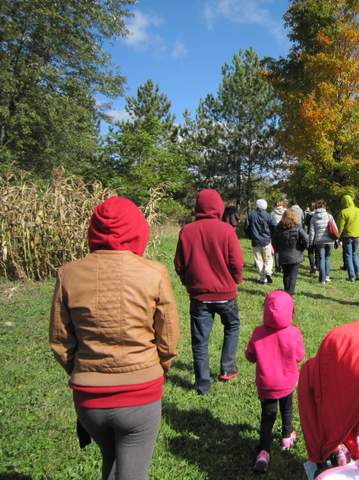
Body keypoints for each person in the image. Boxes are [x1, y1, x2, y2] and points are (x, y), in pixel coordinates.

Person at [50, 196, 180, 480]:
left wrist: (81, 370)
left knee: (110, 462)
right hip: (140, 393)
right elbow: (168, 339)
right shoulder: (154, 273)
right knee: (133, 472)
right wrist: (160, 369)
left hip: (88, 399)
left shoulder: (68, 274)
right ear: (138, 230)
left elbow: (60, 341)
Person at [174, 189, 244, 395]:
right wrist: (235, 281)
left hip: (199, 295)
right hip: (226, 293)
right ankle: (227, 368)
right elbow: (237, 262)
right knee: (232, 326)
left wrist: (188, 283)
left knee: (200, 340)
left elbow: (179, 264)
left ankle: (203, 384)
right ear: (219, 206)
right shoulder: (227, 230)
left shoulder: (187, 231)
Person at [245, 291, 305, 473]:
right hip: (287, 382)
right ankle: (287, 437)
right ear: (291, 311)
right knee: (287, 408)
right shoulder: (294, 333)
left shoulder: (258, 332)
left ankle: (263, 451)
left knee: (267, 416)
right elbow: (300, 356)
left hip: (266, 384)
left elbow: (250, 356)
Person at [272, 208, 309, 295]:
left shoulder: (278, 227)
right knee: (292, 276)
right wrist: (301, 248)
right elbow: (306, 240)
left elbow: (274, 242)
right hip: (295, 255)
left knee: (286, 275)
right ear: (294, 217)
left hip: (283, 255)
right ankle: (289, 293)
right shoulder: (298, 227)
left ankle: (286, 292)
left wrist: (278, 249)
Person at [245, 199, 277, 284]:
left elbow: (246, 227)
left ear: (257, 205)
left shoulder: (251, 215)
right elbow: (274, 226)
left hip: (255, 241)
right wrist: (271, 236)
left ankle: (263, 279)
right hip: (266, 241)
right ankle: (268, 272)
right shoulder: (268, 215)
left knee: (259, 260)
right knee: (268, 258)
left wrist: (250, 236)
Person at [337, 194, 359, 282]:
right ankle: (358, 273)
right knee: (355, 254)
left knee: (348, 255)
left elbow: (340, 227)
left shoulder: (343, 212)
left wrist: (338, 237)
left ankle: (352, 276)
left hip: (347, 236)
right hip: (357, 235)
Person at [309, 199, 336, 284]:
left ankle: (322, 279)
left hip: (319, 241)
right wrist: (336, 240)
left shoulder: (313, 217)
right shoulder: (329, 216)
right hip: (329, 241)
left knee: (321, 259)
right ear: (324, 206)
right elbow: (335, 228)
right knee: (327, 258)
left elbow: (312, 232)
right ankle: (327, 277)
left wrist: (311, 242)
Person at [271, 200, 288, 273]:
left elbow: (271, 223)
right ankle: (284, 265)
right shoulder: (286, 212)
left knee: (277, 250)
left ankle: (277, 267)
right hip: (285, 231)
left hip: (275, 232)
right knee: (284, 249)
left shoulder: (272, 212)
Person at [304, 203, 318, 274]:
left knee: (310, 251)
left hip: (310, 234)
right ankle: (317, 265)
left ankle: (313, 266)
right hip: (319, 235)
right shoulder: (318, 214)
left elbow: (306, 224)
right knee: (317, 251)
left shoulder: (309, 215)